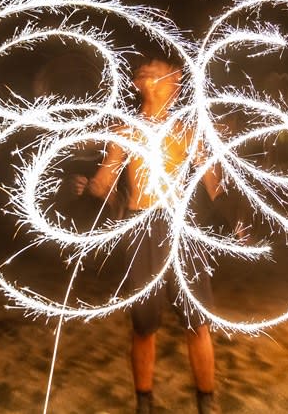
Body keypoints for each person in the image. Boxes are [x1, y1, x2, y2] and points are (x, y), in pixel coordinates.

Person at [63, 56, 225, 414]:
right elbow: (106, 182)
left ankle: (206, 402)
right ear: (139, 83)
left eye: (168, 75)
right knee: (144, 325)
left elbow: (212, 181)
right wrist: (86, 188)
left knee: (197, 321)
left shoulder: (185, 128)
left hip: (182, 228)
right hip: (142, 228)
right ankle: (144, 404)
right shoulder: (126, 130)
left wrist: (237, 213)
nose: (166, 80)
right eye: (153, 74)